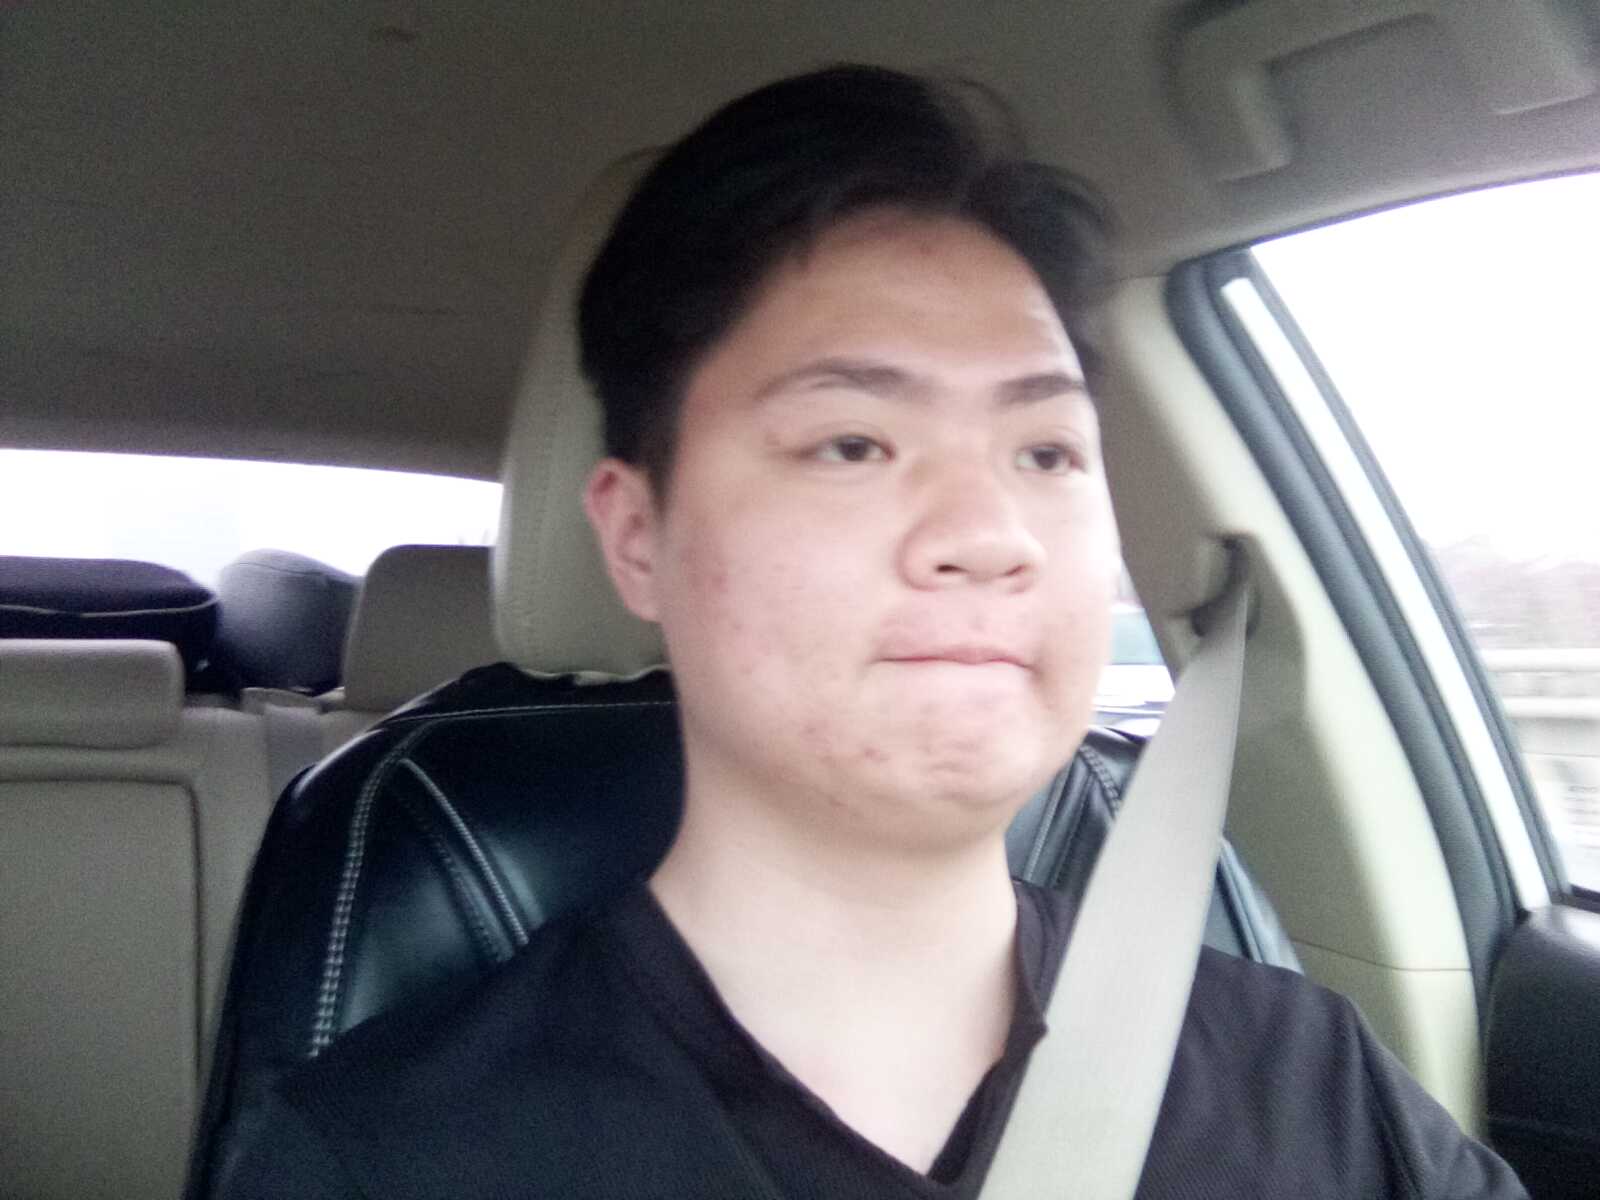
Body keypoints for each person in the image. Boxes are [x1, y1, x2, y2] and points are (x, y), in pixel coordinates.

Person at [217, 65, 1527, 1198]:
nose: (991, 532)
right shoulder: (382, 1157)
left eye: (1046, 452)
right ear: (637, 537)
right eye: (853, 443)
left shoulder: (1313, 1082)